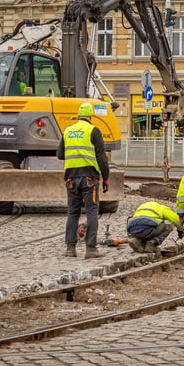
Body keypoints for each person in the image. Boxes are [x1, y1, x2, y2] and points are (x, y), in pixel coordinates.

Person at [56, 102, 110, 259]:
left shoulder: (68, 131)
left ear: (78, 116)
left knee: (73, 212)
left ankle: (70, 249)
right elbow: (102, 157)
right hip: (89, 177)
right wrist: (106, 178)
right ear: (90, 117)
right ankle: (91, 249)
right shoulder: (93, 130)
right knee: (92, 211)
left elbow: (60, 154)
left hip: (71, 178)